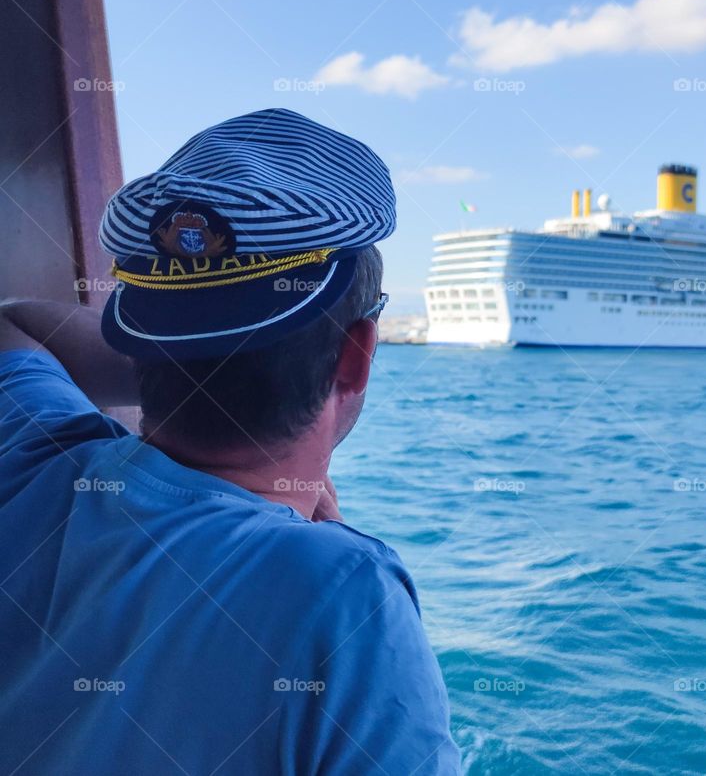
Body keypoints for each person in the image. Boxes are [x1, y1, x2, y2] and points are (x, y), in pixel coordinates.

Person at [0, 108, 461, 775]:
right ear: (355, 355)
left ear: (142, 338)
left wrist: (185, 347)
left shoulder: (29, 456)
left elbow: (13, 322)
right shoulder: (347, 599)